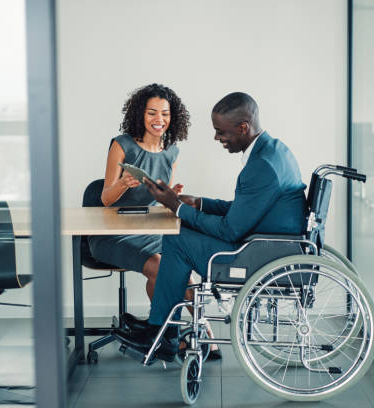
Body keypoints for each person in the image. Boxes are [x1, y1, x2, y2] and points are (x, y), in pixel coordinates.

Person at [118, 92, 308, 362]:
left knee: (176, 240)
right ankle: (161, 331)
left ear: (243, 127)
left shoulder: (262, 166)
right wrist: (200, 203)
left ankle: (161, 333)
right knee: (180, 234)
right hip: (266, 242)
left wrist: (177, 207)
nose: (218, 138)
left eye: (221, 132)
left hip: (258, 254)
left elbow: (231, 230)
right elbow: (249, 208)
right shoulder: (274, 150)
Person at [89, 83, 188, 302]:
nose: (159, 119)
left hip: (149, 230)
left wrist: (170, 195)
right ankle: (167, 333)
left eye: (165, 114)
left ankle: (193, 331)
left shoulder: (172, 152)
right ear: (140, 115)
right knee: (161, 267)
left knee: (183, 271)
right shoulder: (122, 145)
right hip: (112, 234)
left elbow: (161, 206)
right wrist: (123, 183)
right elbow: (105, 199)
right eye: (152, 113)